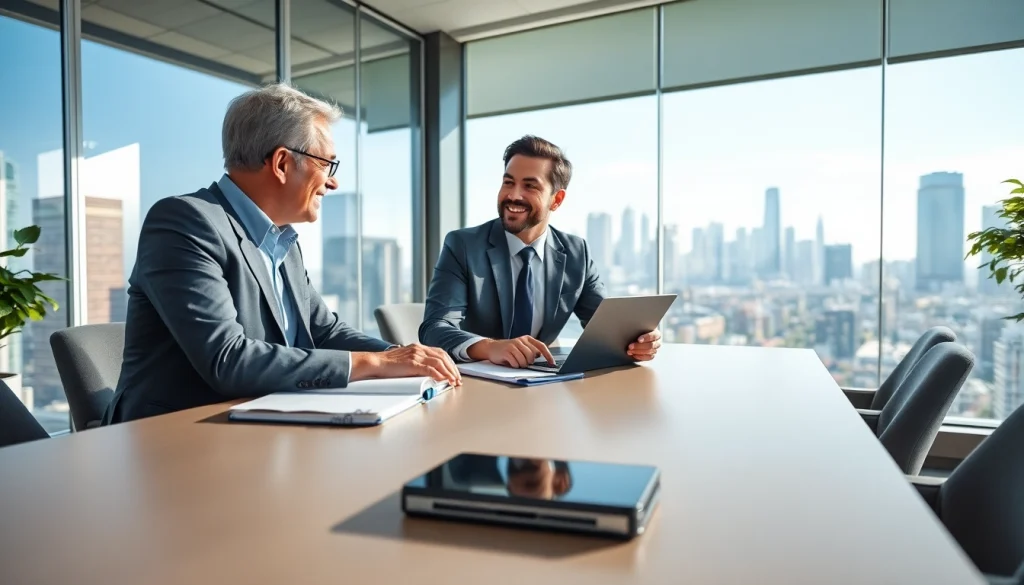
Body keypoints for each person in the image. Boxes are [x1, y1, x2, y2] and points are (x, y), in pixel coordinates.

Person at [104, 83, 459, 424]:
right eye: (327, 165)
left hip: (265, 424)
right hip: (176, 440)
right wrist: (379, 363)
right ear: (282, 163)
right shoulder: (185, 222)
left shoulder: (283, 242)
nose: (333, 182)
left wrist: (405, 358)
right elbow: (228, 359)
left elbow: (325, 331)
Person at [419, 135, 661, 368]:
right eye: (508, 182)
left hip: (543, 386)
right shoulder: (463, 245)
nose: (513, 195)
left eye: (530, 186)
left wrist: (639, 341)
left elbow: (607, 329)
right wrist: (491, 347)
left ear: (556, 200)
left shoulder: (577, 253)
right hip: (476, 387)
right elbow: (434, 328)